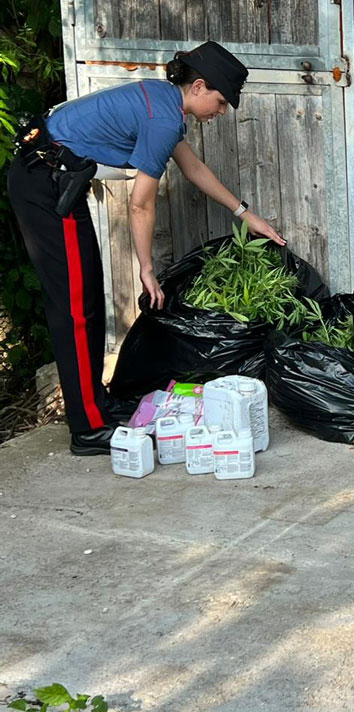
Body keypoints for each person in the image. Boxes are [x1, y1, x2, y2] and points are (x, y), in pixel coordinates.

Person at [8, 41, 285, 456]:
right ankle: (88, 428)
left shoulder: (164, 102)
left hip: (55, 181)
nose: (222, 111)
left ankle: (97, 407)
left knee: (85, 300)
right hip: (45, 185)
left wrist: (246, 215)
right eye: (221, 101)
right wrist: (146, 269)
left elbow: (193, 168)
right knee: (75, 310)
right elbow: (140, 204)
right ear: (199, 87)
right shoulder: (163, 118)